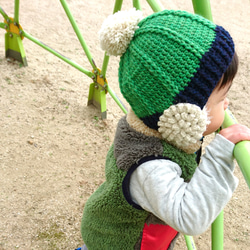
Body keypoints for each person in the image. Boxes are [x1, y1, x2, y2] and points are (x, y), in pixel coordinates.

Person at [77, 8, 250, 250]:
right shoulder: (150, 168)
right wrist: (220, 155)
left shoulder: (155, 122)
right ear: (185, 113)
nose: (228, 105)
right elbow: (190, 216)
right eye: (222, 99)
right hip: (119, 244)